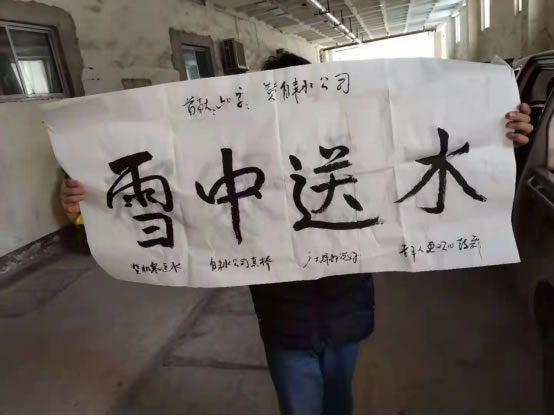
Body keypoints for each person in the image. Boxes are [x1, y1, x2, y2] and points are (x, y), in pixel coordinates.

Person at [61, 52, 534, 415]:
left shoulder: (357, 153)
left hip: (346, 314)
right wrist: (91, 208)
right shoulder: (242, 164)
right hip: (285, 324)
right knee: (300, 409)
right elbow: (179, 199)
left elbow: (424, 164)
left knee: (339, 402)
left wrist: (499, 141)